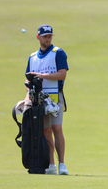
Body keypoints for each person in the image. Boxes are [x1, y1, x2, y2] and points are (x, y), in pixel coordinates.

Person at [24, 25, 69, 175]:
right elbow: (28, 78)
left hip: (56, 98)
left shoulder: (58, 53)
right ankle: (51, 165)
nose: (47, 39)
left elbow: (62, 74)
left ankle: (62, 164)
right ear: (38, 37)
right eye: (45, 36)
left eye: (50, 36)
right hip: (39, 100)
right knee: (46, 131)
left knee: (57, 128)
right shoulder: (32, 57)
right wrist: (28, 94)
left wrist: (41, 76)